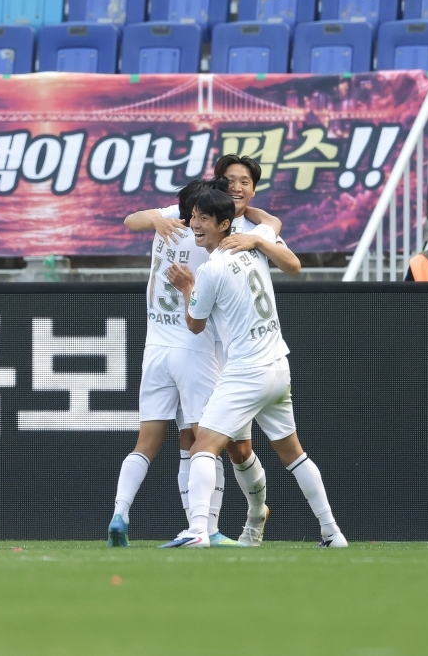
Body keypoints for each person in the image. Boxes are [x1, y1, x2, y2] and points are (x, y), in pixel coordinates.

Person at [116, 177, 301, 548]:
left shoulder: (172, 222)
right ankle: (208, 528)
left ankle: (120, 514)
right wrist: (256, 232)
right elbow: (279, 239)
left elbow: (131, 220)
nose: (198, 221)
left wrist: (154, 219)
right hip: (201, 350)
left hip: (157, 348)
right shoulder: (220, 235)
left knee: (153, 443)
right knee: (208, 443)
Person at [164, 187, 347, 549]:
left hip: (247, 370)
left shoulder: (212, 269)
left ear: (225, 224)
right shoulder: (257, 241)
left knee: (202, 447)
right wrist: (254, 229)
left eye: (204, 219)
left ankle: (198, 530)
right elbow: (273, 224)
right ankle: (332, 532)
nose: (195, 225)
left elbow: (195, 324)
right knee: (295, 455)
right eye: (194, 217)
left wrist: (187, 286)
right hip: (278, 366)